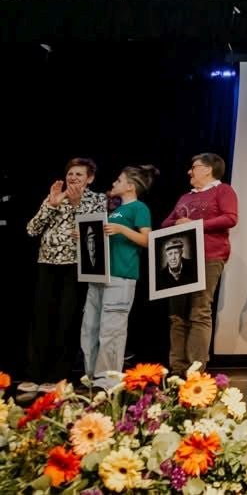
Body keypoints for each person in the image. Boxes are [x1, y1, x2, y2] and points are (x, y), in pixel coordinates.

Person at [24, 157, 106, 395]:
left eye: (79, 174)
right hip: (47, 263)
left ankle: (57, 375)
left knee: (66, 320)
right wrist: (51, 204)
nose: (73, 178)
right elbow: (31, 229)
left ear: (89, 179)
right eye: (71, 173)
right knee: (41, 318)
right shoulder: (55, 197)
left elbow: (95, 230)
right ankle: (34, 373)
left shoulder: (97, 199)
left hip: (76, 266)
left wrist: (78, 203)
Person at [161, 152, 238, 375]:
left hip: (209, 257)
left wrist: (195, 223)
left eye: (194, 167)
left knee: (199, 311)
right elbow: (167, 222)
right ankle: (177, 368)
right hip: (182, 260)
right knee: (177, 315)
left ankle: (196, 369)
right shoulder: (186, 197)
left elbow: (230, 218)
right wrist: (177, 223)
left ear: (207, 169)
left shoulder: (223, 190)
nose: (189, 171)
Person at [81, 165, 157, 390]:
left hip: (121, 275)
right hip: (99, 275)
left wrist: (122, 230)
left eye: (119, 180)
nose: (114, 183)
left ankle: (108, 382)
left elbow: (148, 240)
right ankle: (92, 377)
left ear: (130, 186)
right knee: (90, 327)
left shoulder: (138, 207)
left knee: (111, 330)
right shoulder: (113, 211)